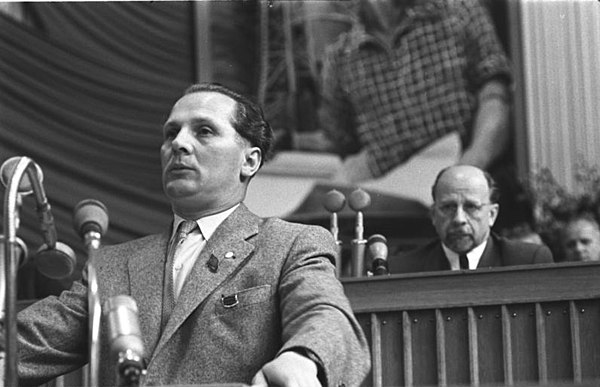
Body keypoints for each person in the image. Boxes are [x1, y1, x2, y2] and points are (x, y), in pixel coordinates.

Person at [10, 83, 371, 386]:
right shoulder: (111, 265)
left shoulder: (289, 243)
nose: (179, 144)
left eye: (204, 131)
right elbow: (23, 344)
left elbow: (326, 316)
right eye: (171, 133)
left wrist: (304, 358)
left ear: (250, 161)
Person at [316, 0, 512, 183]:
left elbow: (495, 96)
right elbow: (342, 142)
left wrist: (470, 167)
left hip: (470, 186)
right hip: (395, 203)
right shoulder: (341, 58)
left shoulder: (459, 12)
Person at [388, 165, 554, 273]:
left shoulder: (528, 262)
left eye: (471, 207)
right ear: (433, 215)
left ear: (492, 215)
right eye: (448, 207)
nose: (459, 219)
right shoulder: (403, 270)